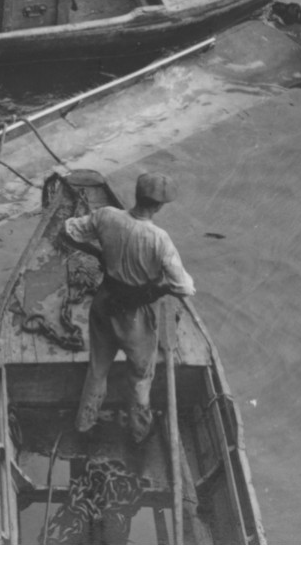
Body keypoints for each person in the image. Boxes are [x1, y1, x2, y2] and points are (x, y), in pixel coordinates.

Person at [61, 171, 195, 443]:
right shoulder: (159, 239)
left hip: (105, 302)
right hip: (137, 316)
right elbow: (185, 288)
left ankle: (84, 424)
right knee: (140, 376)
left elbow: (68, 231)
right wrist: (158, 288)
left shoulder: (107, 216)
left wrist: (97, 254)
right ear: (158, 206)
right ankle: (138, 432)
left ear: (136, 196)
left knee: (98, 367)